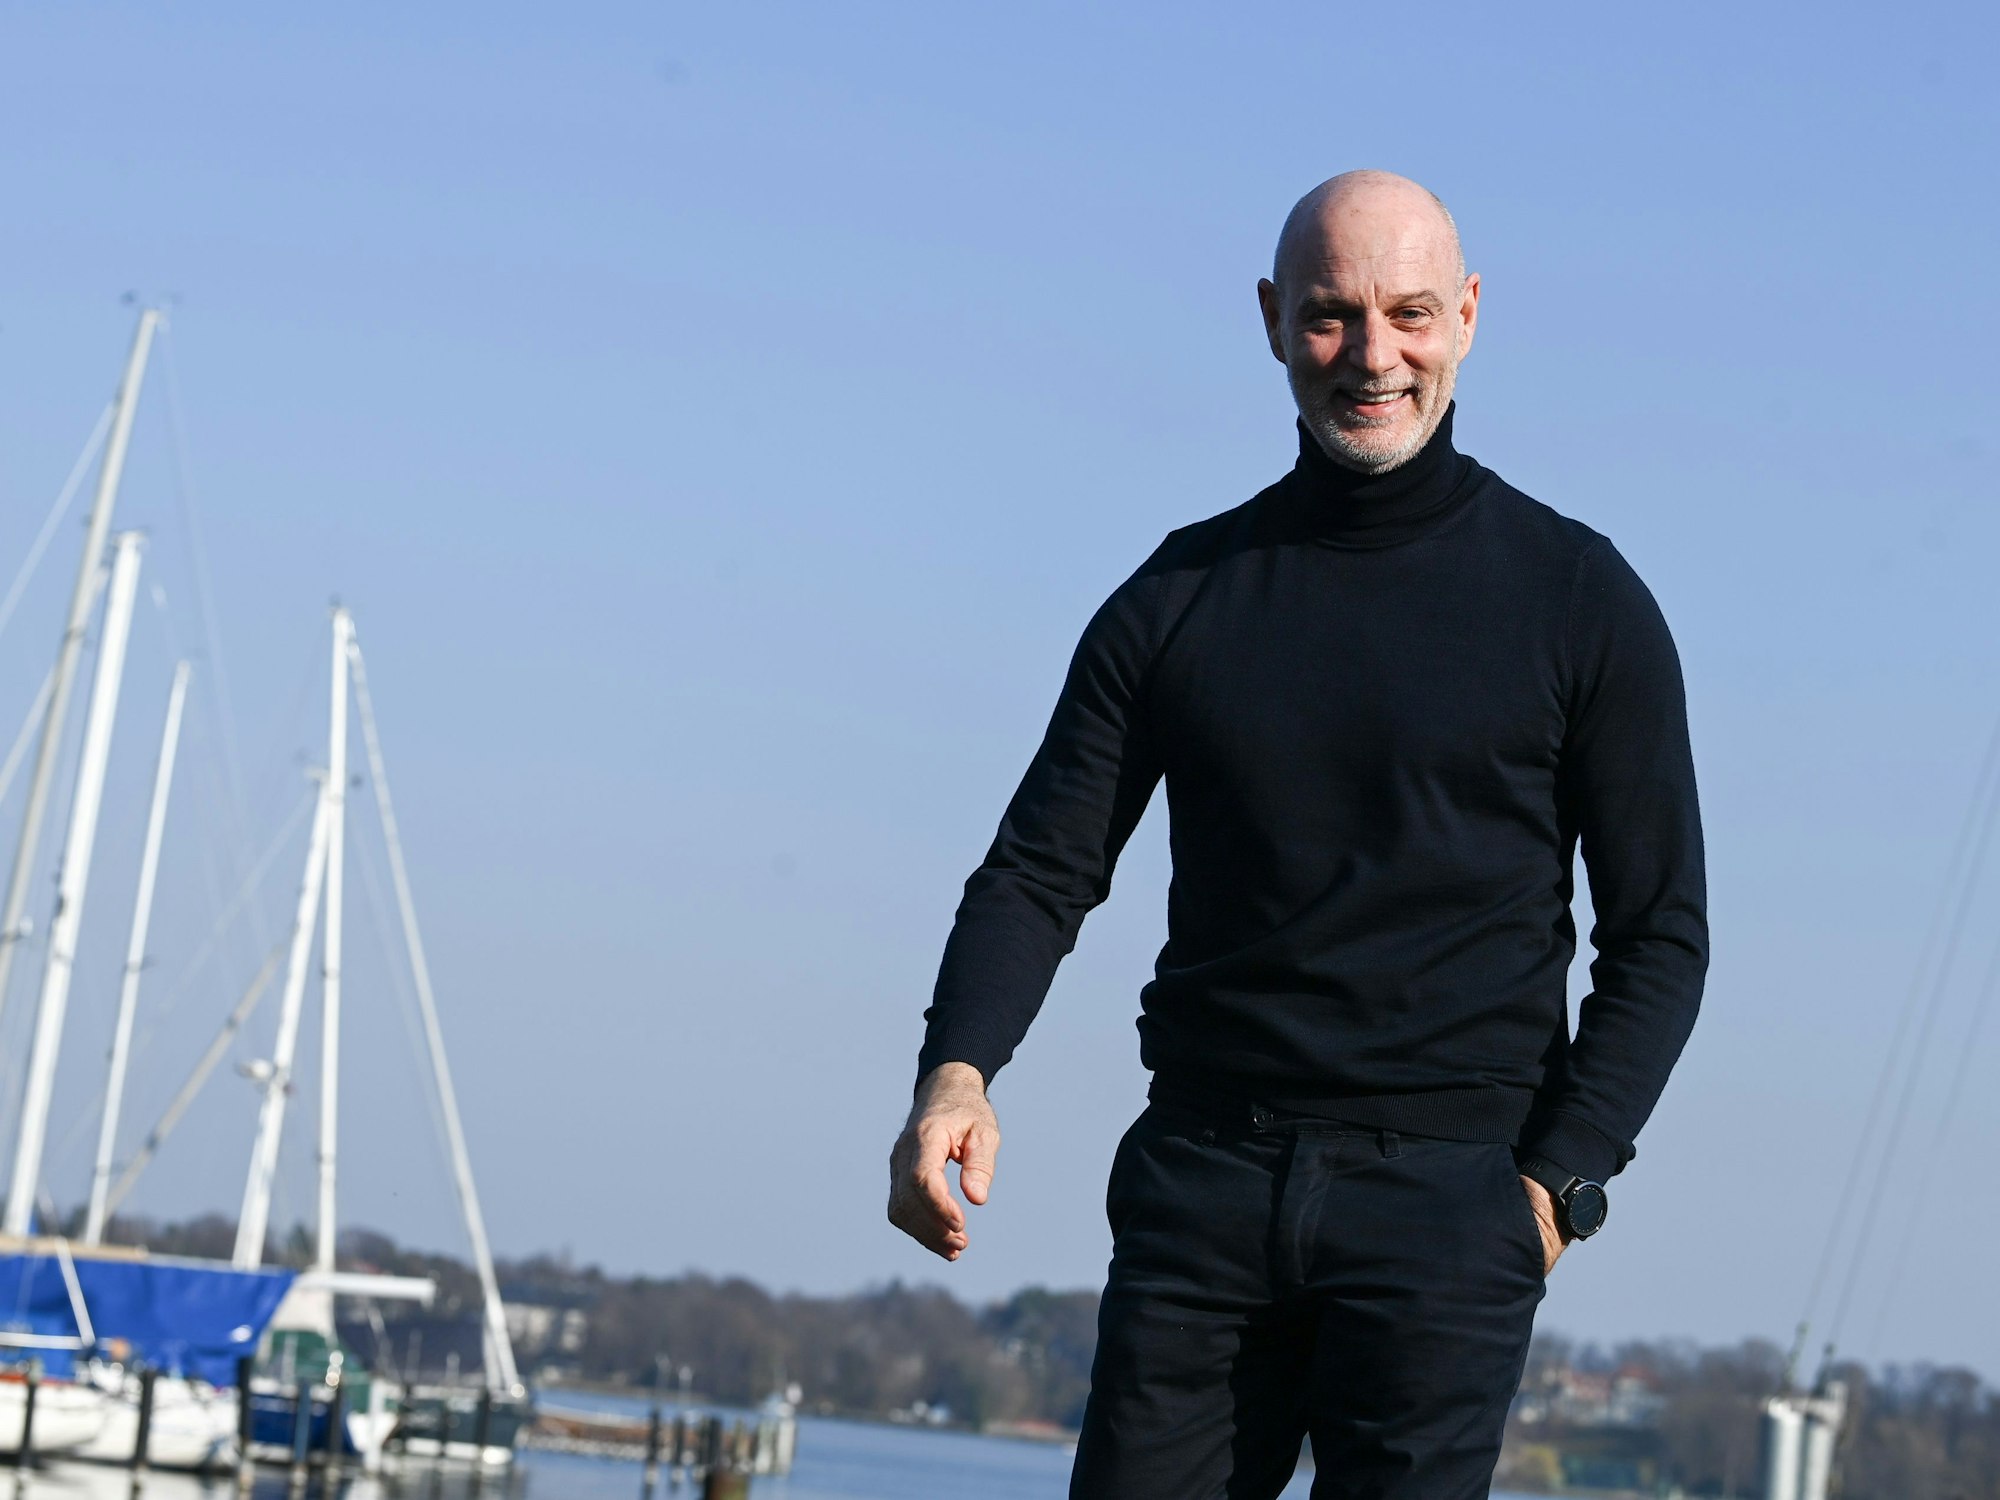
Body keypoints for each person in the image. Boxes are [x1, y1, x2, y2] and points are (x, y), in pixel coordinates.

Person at [886, 169, 1708, 1499]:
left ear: (1470, 317)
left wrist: (1555, 1186)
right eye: (1332, 317)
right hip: (1203, 1188)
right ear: (1272, 320)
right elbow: (1042, 869)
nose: (1372, 355)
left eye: (1410, 314)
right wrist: (958, 1072)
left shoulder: (1582, 601)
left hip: (1451, 1210)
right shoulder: (1177, 599)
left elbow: (1662, 933)